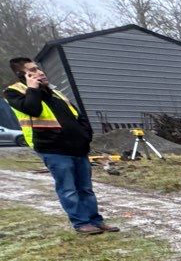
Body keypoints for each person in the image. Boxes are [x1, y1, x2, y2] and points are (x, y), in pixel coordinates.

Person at [5, 57, 117, 235]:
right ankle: (81, 223)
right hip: (53, 149)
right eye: (33, 70)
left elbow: (77, 115)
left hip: (78, 148)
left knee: (86, 189)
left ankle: (96, 220)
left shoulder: (55, 93)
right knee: (68, 189)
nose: (40, 72)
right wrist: (32, 88)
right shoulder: (14, 92)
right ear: (22, 75)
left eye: (39, 69)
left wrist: (85, 135)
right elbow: (32, 109)